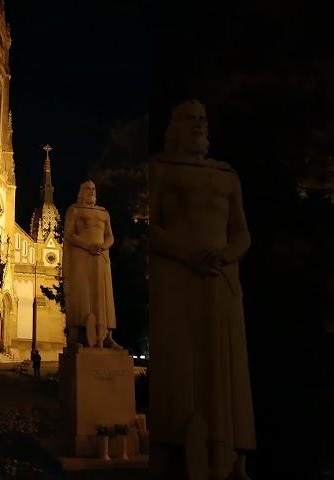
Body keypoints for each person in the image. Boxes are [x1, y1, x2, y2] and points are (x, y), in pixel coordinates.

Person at [149, 99, 255, 480]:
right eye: (188, 119)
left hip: (221, 280)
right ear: (174, 128)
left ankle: (233, 458)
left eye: (202, 119)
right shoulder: (161, 169)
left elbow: (242, 231)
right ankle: (175, 451)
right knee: (183, 365)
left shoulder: (227, 175)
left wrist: (226, 256)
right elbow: (152, 227)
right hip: (181, 281)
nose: (197, 125)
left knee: (225, 366)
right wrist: (188, 256)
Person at [63, 180, 122, 348]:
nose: (91, 191)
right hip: (81, 256)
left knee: (103, 295)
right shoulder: (74, 210)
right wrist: (87, 245)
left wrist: (103, 246)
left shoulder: (104, 212)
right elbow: (69, 234)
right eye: (87, 188)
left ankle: (106, 336)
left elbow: (110, 236)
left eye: (93, 189)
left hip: (100, 257)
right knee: (81, 294)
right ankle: (77, 336)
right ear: (80, 192)